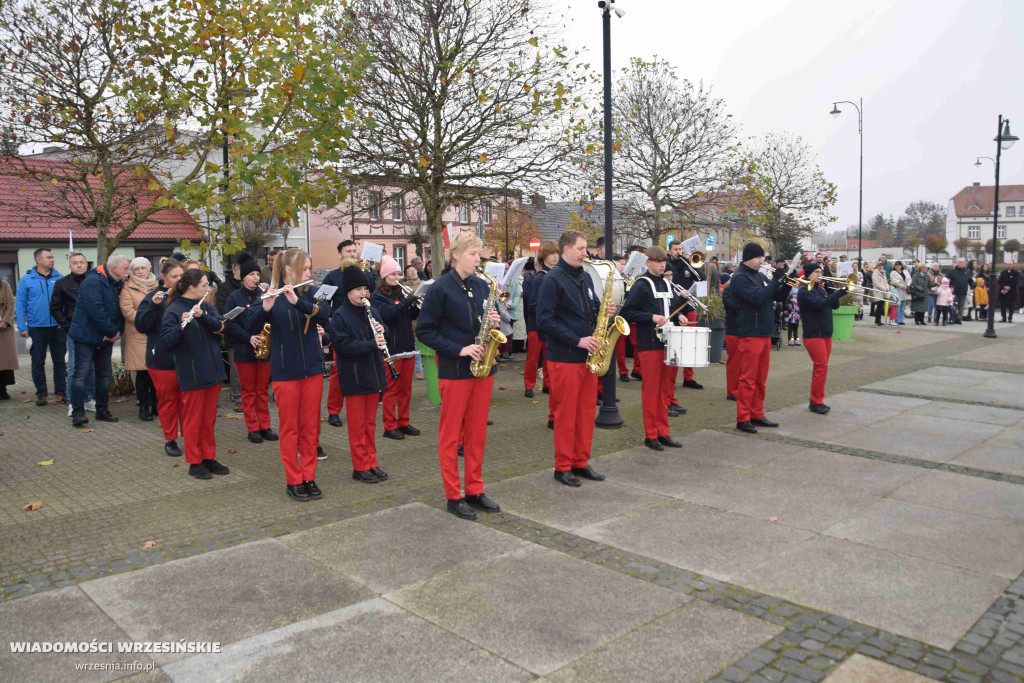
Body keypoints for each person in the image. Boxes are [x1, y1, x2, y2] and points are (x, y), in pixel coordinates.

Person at [416, 231, 503, 520]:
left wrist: (492, 321)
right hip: (455, 371)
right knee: (451, 436)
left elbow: (482, 319)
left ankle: (475, 490)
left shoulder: (481, 286)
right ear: (456, 255)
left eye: (480, 254)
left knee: (477, 435)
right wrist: (459, 349)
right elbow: (424, 331)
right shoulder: (440, 288)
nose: (479, 259)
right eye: (473, 254)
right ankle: (454, 495)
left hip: (482, 369)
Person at [245, 249, 330, 500]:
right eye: (305, 269)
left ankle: (309, 476)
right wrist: (265, 308)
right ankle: (293, 479)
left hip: (313, 369)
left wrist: (298, 302)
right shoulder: (271, 295)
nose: (309, 273)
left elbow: (326, 314)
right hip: (285, 372)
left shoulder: (310, 293)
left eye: (310, 268)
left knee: (310, 428)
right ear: (288, 271)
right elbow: (249, 325)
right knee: (290, 428)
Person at [536, 229, 614, 486]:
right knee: (566, 414)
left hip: (587, 357)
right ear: (565, 250)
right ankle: (562, 467)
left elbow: (588, 311)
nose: (585, 253)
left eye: (585, 248)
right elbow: (544, 320)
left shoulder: (585, 278)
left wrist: (604, 310)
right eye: (581, 248)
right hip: (565, 356)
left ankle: (581, 462)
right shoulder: (552, 279)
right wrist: (577, 339)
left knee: (585, 412)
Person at [160, 268, 230, 479]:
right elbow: (166, 342)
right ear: (191, 287)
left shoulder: (205, 305)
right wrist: (183, 325)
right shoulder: (173, 310)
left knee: (208, 421)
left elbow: (221, 326)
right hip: (192, 374)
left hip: (213, 372)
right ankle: (194, 461)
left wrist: (201, 317)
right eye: (203, 285)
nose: (207, 288)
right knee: (192, 422)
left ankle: (209, 457)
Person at [620, 247, 684, 451]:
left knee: (664, 390)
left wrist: (679, 315)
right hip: (649, 344)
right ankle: (650, 434)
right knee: (651, 391)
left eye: (663, 261)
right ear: (648, 263)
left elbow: (669, 309)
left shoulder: (666, 282)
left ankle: (663, 432)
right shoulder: (641, 284)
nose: (662, 264)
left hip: (668, 343)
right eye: (658, 261)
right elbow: (627, 312)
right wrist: (651, 317)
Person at [334, 260, 391, 482]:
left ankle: (371, 461)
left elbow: (382, 333)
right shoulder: (341, 315)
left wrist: (381, 329)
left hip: (373, 373)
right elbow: (343, 346)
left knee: (370, 424)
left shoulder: (371, 310)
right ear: (349, 290)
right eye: (358, 289)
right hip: (355, 377)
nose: (363, 293)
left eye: (365, 289)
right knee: (358, 426)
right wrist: (370, 343)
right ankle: (360, 467)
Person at [730, 243, 787, 434]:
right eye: (758, 258)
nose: (762, 261)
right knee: (748, 378)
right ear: (747, 258)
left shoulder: (759, 275)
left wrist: (784, 282)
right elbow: (757, 298)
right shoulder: (739, 277)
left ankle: (757, 412)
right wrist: (774, 282)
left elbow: (775, 296)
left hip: (763, 332)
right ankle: (743, 417)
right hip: (750, 332)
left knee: (761, 378)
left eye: (762, 257)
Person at [67, 254, 130, 426]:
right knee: (81, 374)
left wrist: (116, 332)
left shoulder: (117, 283)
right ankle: (78, 413)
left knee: (103, 375)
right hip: (86, 337)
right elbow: (96, 310)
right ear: (114, 268)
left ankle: (102, 410)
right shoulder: (93, 281)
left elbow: (119, 311)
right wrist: (111, 331)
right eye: (125, 268)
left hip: (105, 337)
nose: (128, 272)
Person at [223, 257, 277, 444]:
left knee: (262, 390)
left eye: (257, 274)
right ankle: (252, 427)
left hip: (265, 348)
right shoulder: (234, 298)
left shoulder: (263, 294)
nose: (255, 277)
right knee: (248, 391)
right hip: (245, 350)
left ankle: (265, 425)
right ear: (243, 278)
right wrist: (248, 337)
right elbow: (229, 323)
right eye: (251, 274)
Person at [135, 259, 185, 456]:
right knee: (168, 401)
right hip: (162, 359)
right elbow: (141, 326)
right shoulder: (154, 297)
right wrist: (153, 306)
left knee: (186, 400)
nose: (179, 280)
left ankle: (189, 434)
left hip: (184, 356)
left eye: (182, 276)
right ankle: (170, 439)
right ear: (164, 277)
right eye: (174, 276)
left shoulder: (185, 296)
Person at [372, 255, 421, 441]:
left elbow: (408, 316)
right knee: (391, 389)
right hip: (391, 348)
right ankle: (389, 425)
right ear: (384, 276)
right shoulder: (377, 297)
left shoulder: (399, 293)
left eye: (398, 273)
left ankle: (404, 421)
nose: (397, 277)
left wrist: (415, 305)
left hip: (407, 344)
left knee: (406, 388)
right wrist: (405, 303)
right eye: (393, 274)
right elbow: (388, 315)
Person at [15, 248, 65, 405]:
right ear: (38, 260)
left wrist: (64, 322)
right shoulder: (26, 280)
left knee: (59, 361)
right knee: (38, 362)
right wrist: (22, 326)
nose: (52, 260)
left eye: (52, 257)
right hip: (36, 328)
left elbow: (66, 302)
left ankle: (60, 392)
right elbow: (20, 303)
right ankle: (41, 393)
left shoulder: (60, 278)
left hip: (57, 327)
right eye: (48, 257)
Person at [321, 239, 361, 427]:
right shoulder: (332, 277)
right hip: (341, 328)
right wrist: (330, 318)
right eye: (348, 251)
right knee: (338, 371)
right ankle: (333, 411)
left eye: (354, 251)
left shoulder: (364, 274)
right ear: (340, 255)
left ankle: (357, 408)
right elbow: (321, 302)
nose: (352, 254)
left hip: (362, 327)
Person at [797, 264, 845, 414]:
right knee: (821, 367)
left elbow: (834, 306)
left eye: (821, 272)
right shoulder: (805, 290)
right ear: (809, 274)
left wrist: (833, 290)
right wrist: (839, 293)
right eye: (816, 272)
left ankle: (817, 399)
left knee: (821, 368)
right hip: (813, 334)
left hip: (825, 333)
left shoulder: (820, 288)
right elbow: (820, 304)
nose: (820, 274)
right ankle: (816, 401)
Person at [51, 253, 95, 414]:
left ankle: (89, 398)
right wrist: (67, 325)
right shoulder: (62, 283)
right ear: (70, 266)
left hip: (94, 330)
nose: (79, 265)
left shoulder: (94, 281)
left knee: (91, 367)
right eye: (75, 263)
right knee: (74, 367)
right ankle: (72, 402)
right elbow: (55, 307)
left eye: (82, 262)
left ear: (87, 264)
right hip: (74, 331)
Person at [119, 257, 159, 421]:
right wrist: (148, 319)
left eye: (143, 268)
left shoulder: (158, 285)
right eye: (137, 269)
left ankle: (157, 405)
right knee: (142, 373)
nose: (141, 271)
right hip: (138, 334)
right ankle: (143, 407)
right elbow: (128, 311)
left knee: (156, 372)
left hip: (156, 334)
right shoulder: (127, 289)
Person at [522, 242, 558, 400]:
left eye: (557, 253)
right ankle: (529, 385)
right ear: (544, 257)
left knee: (549, 357)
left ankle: (548, 384)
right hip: (536, 325)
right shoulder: (540, 278)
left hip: (549, 325)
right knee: (533, 357)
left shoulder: (556, 275)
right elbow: (533, 304)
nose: (555, 257)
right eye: (552, 254)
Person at [666, 240, 703, 390]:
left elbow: (701, 279)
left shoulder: (687, 264)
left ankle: (689, 377)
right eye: (675, 249)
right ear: (669, 251)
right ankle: (670, 380)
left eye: (680, 249)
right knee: (675, 344)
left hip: (689, 307)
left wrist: (691, 264)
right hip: (673, 308)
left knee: (690, 343)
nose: (678, 252)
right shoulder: (668, 266)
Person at [217, 253, 252, 410]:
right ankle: (238, 396)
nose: (252, 276)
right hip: (235, 334)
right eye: (248, 273)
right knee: (237, 368)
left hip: (253, 334)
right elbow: (222, 312)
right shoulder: (225, 288)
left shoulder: (255, 289)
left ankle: (252, 395)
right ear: (237, 270)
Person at [401, 263, 426, 379]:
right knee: (415, 345)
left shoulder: (423, 283)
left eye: (414, 270)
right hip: (413, 318)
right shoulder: (403, 286)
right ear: (406, 276)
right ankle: (418, 369)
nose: (413, 273)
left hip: (423, 315)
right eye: (410, 272)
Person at [722, 278, 740, 401]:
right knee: (734, 362)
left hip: (745, 331)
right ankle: (732, 391)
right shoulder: (729, 290)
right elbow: (734, 306)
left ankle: (741, 389)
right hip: (734, 331)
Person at [0, 278, 17, 400]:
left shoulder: (4, 284)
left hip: (2, 328)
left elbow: (11, 303)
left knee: (4, 361)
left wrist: (5, 321)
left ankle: (2, 390)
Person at [948, 258, 971, 325]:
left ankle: (959, 318)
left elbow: (970, 280)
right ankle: (953, 317)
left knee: (961, 306)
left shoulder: (967, 271)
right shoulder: (952, 271)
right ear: (957, 263)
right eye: (960, 262)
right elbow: (946, 278)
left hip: (963, 291)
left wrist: (972, 285)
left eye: (962, 262)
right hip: (954, 292)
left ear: (964, 263)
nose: (961, 263)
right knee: (954, 305)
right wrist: (950, 286)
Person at [888, 261, 911, 326]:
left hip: (906, 290)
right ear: (895, 266)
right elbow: (894, 281)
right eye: (896, 265)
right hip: (898, 290)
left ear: (901, 266)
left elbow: (909, 279)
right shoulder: (893, 273)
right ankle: (897, 320)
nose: (898, 266)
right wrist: (902, 286)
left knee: (903, 306)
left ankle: (901, 319)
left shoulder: (905, 272)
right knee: (898, 305)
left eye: (899, 265)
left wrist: (907, 285)